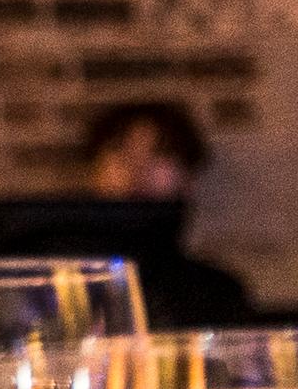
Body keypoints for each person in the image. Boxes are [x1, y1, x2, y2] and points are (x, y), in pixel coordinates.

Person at [78, 98, 255, 327]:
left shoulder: (215, 292)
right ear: (93, 171)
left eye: (159, 153)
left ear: (189, 177)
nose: (138, 169)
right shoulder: (70, 288)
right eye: (120, 150)